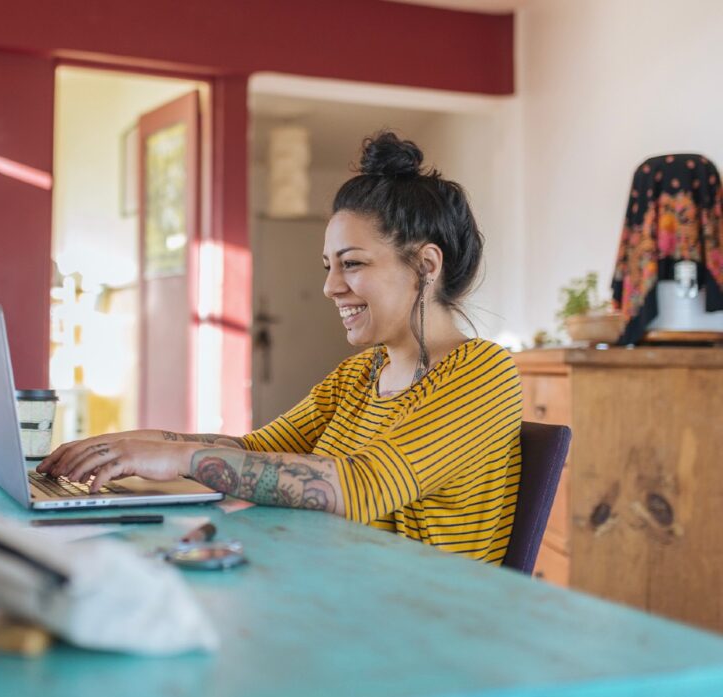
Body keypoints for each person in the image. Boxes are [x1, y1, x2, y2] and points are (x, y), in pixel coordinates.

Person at [39, 132, 522, 564]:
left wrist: (179, 460)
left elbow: (364, 487)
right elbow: (253, 451)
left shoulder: (483, 372)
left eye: (351, 264)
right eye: (328, 266)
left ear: (426, 263)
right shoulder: (358, 376)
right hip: (343, 595)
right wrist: (127, 447)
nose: (331, 287)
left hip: (423, 627)